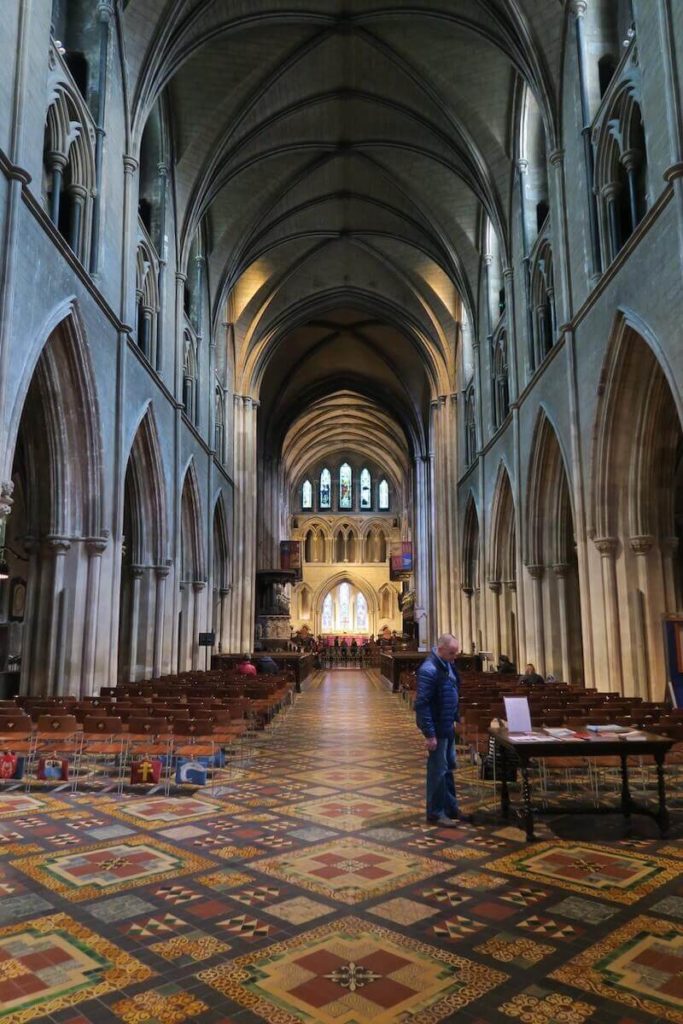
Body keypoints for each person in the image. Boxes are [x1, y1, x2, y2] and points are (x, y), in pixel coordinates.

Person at [414, 633, 472, 826]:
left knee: (448, 769)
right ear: (440, 650)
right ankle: (436, 813)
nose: (455, 657)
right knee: (437, 771)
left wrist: (456, 717)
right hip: (437, 728)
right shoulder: (429, 669)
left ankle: (451, 808)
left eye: (456, 653)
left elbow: (452, 690)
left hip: (447, 725)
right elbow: (422, 704)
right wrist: (429, 734)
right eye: (452, 653)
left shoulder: (447, 664)